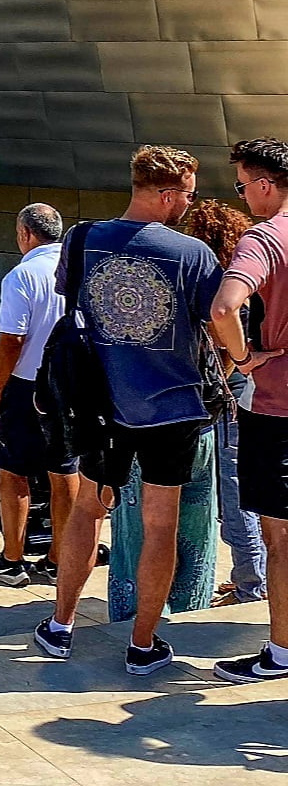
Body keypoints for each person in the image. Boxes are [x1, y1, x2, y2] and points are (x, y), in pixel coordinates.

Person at [33, 145, 222, 676]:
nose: (189, 203)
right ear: (166, 194)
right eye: (187, 193)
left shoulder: (82, 238)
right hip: (173, 406)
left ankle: (61, 625)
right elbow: (215, 317)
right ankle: (142, 645)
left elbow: (70, 303)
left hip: (100, 405)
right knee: (159, 524)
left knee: (89, 509)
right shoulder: (192, 254)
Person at [208, 138, 288, 683]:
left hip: (278, 406)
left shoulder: (264, 238)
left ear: (262, 184)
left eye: (241, 185)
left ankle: (282, 652)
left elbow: (224, 305)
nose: (241, 196)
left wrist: (242, 359)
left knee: (279, 537)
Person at [0, 203, 77, 586]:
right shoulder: (78, 270)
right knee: (65, 470)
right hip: (69, 384)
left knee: (13, 470)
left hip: (26, 384)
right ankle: (58, 558)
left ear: (25, 234)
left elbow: (12, 339)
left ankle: (13, 558)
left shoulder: (22, 275)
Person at [181, 198, 265, 610]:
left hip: (230, 397)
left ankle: (252, 584)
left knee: (235, 498)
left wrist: (233, 364)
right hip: (247, 394)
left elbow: (224, 339)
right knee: (242, 493)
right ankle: (250, 578)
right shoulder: (249, 277)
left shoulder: (224, 287)